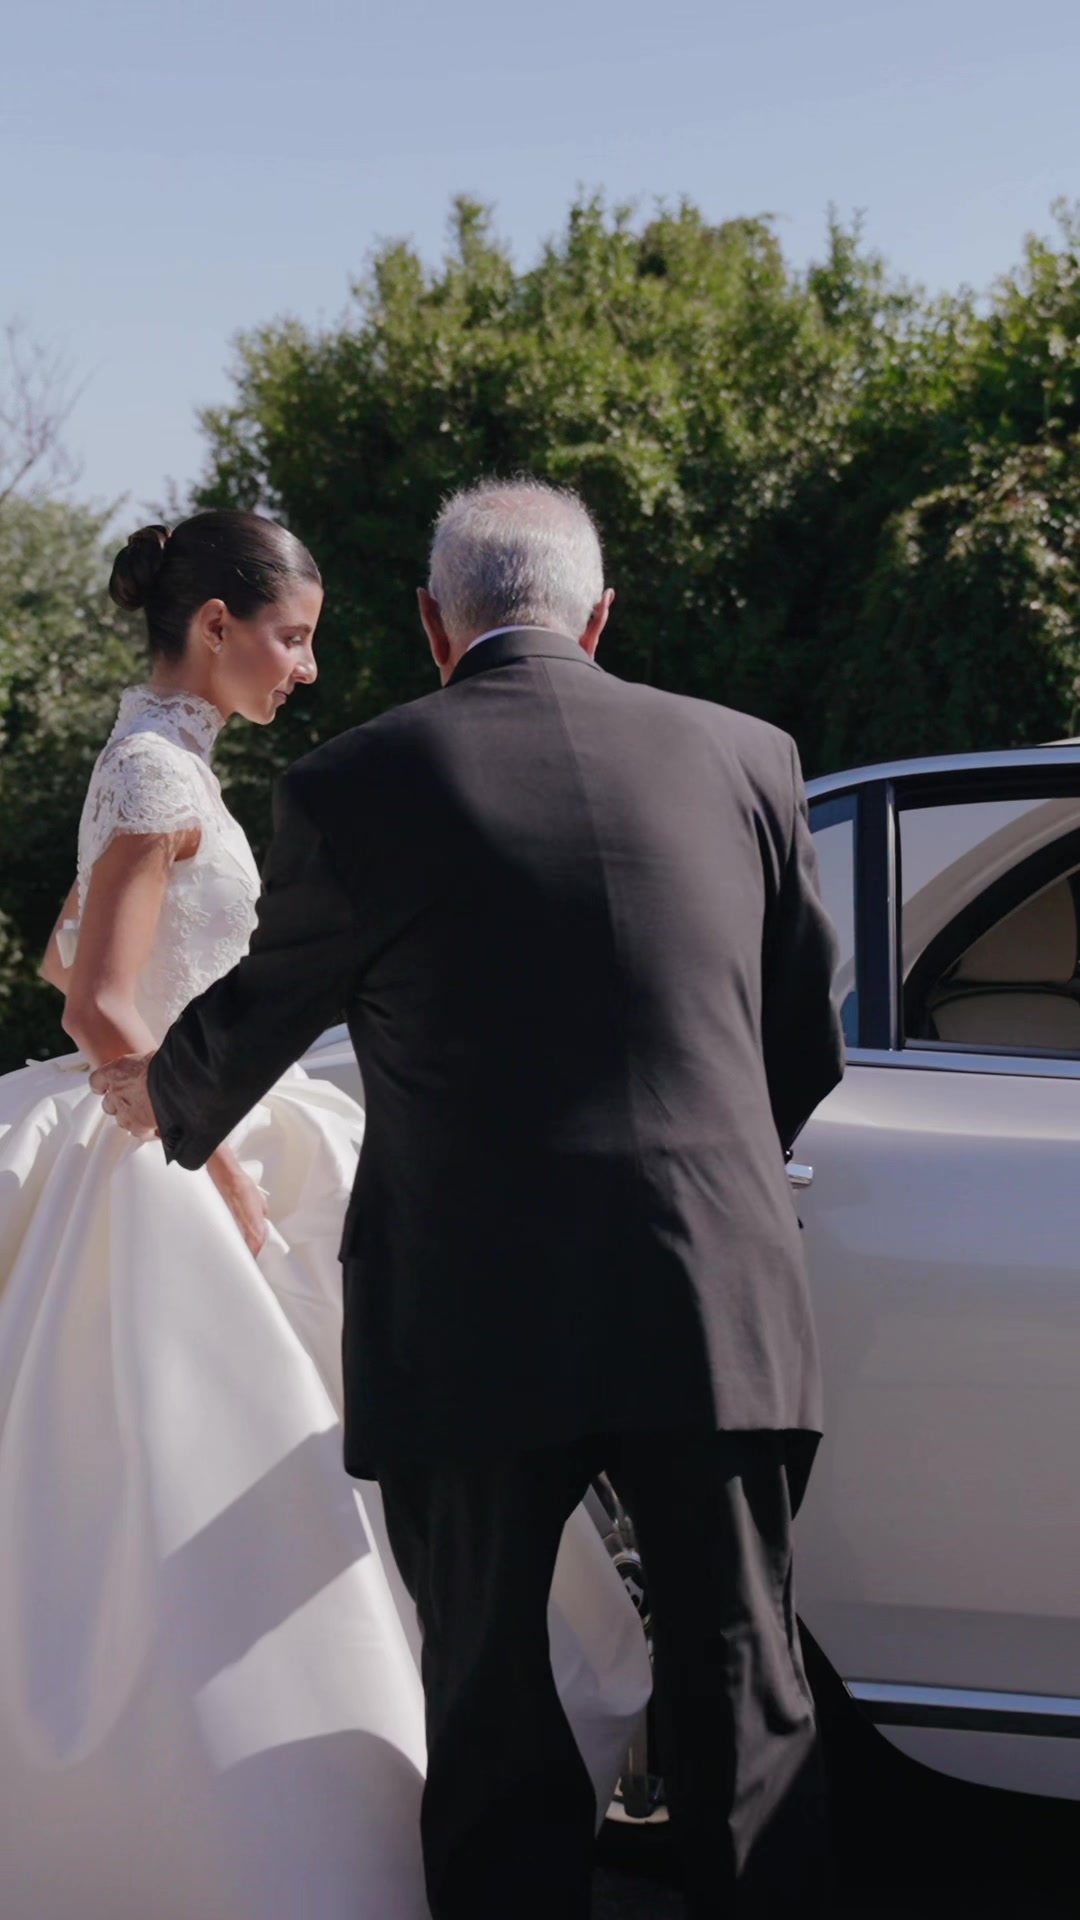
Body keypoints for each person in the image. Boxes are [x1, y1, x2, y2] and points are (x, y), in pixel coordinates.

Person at [96, 478, 845, 1920]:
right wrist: (717, 1188)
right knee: (748, 1680)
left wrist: (154, 1096)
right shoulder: (752, 757)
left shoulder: (358, 784)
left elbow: (267, 1006)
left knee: (492, 1700)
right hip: (715, 1297)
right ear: (600, 616)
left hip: (472, 1311)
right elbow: (803, 1041)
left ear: (435, 624)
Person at [0, 508, 650, 1920]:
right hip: (178, 1144)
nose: (305, 669)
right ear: (215, 626)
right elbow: (96, 1002)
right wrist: (212, 1158)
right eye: (290, 639)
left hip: (209, 1112)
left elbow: (68, 956)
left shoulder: (154, 759)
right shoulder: (156, 771)